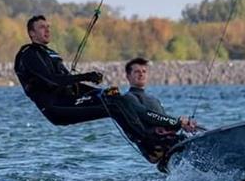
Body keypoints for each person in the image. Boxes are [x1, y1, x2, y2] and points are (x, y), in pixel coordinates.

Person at [13, 14, 191, 162]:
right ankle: (149, 144)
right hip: (57, 109)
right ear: (31, 33)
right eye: (42, 27)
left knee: (117, 99)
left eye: (48, 27)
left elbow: (73, 85)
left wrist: (99, 91)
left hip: (70, 101)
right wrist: (86, 76)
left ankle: (159, 137)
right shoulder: (28, 54)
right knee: (112, 107)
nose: (47, 30)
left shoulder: (50, 54)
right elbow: (53, 80)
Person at [122, 57, 197, 165]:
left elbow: (164, 123)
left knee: (193, 136)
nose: (141, 74)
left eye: (144, 71)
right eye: (137, 72)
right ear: (128, 76)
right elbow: (146, 115)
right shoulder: (128, 98)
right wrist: (177, 122)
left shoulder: (153, 99)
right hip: (154, 146)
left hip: (168, 143)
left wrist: (182, 125)